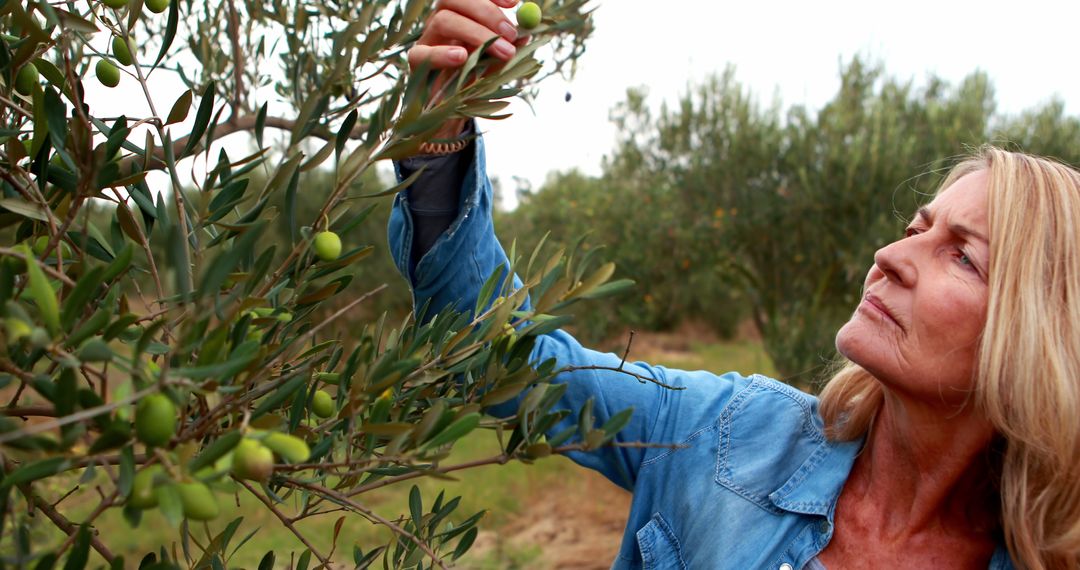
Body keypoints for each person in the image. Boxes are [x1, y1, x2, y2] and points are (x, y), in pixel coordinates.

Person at [387, 2, 1080, 568]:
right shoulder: (725, 431)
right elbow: (505, 363)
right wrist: (438, 139)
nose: (891, 256)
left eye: (963, 256)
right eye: (915, 227)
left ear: (1039, 335)